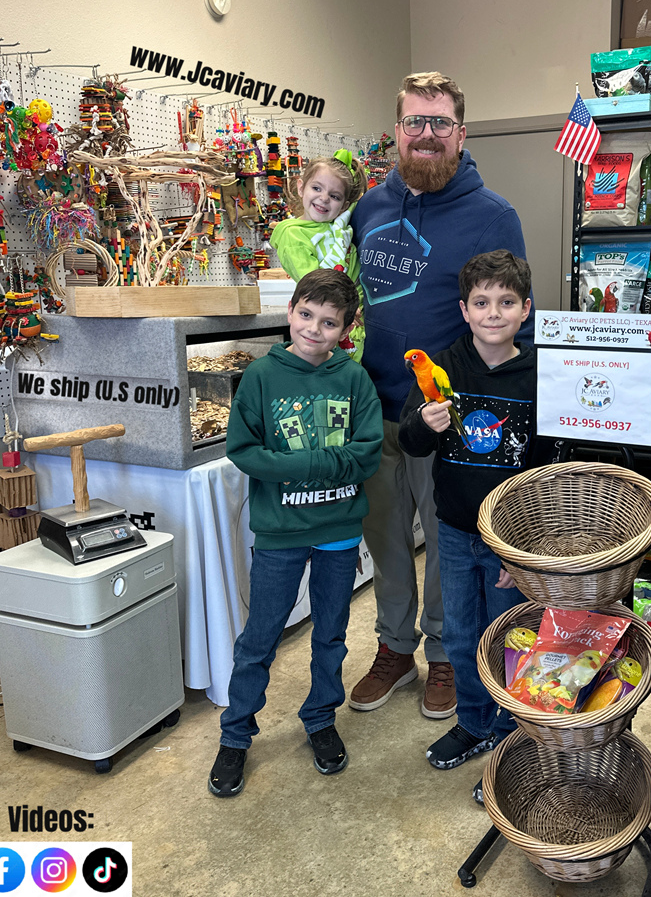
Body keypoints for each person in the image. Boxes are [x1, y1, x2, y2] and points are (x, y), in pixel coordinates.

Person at [348, 71, 533, 719]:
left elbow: (514, 322)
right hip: (375, 409)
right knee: (386, 541)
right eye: (414, 122)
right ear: (397, 130)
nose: (426, 135)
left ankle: (446, 654)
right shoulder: (368, 208)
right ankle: (394, 647)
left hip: (449, 416)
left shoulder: (494, 216)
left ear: (461, 132)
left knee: (447, 544)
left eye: (440, 123)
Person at [208, 269, 382, 797]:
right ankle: (236, 734)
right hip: (280, 532)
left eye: (329, 322)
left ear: (346, 329)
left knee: (331, 633)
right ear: (290, 312)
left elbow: (367, 453)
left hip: (338, 531)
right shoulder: (261, 376)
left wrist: (296, 465)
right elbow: (244, 450)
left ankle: (320, 717)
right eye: (306, 315)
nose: (314, 329)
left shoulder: (354, 378)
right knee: (259, 637)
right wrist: (320, 463)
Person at [399, 250, 547, 800]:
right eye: (481, 303)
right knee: (460, 636)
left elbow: (548, 466)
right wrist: (424, 421)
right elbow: (410, 441)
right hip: (456, 531)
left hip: (511, 538)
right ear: (464, 310)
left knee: (511, 639)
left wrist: (522, 547)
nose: (493, 313)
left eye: (506, 302)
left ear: (525, 309)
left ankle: (512, 736)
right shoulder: (443, 365)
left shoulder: (540, 373)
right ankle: (475, 722)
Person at [270, 150, 369, 362]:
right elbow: (313, 282)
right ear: (301, 187)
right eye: (316, 188)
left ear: (344, 206)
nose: (324, 198)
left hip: (359, 322)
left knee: (354, 377)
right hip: (331, 321)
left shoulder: (338, 227)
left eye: (334, 196)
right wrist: (348, 306)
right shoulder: (292, 233)